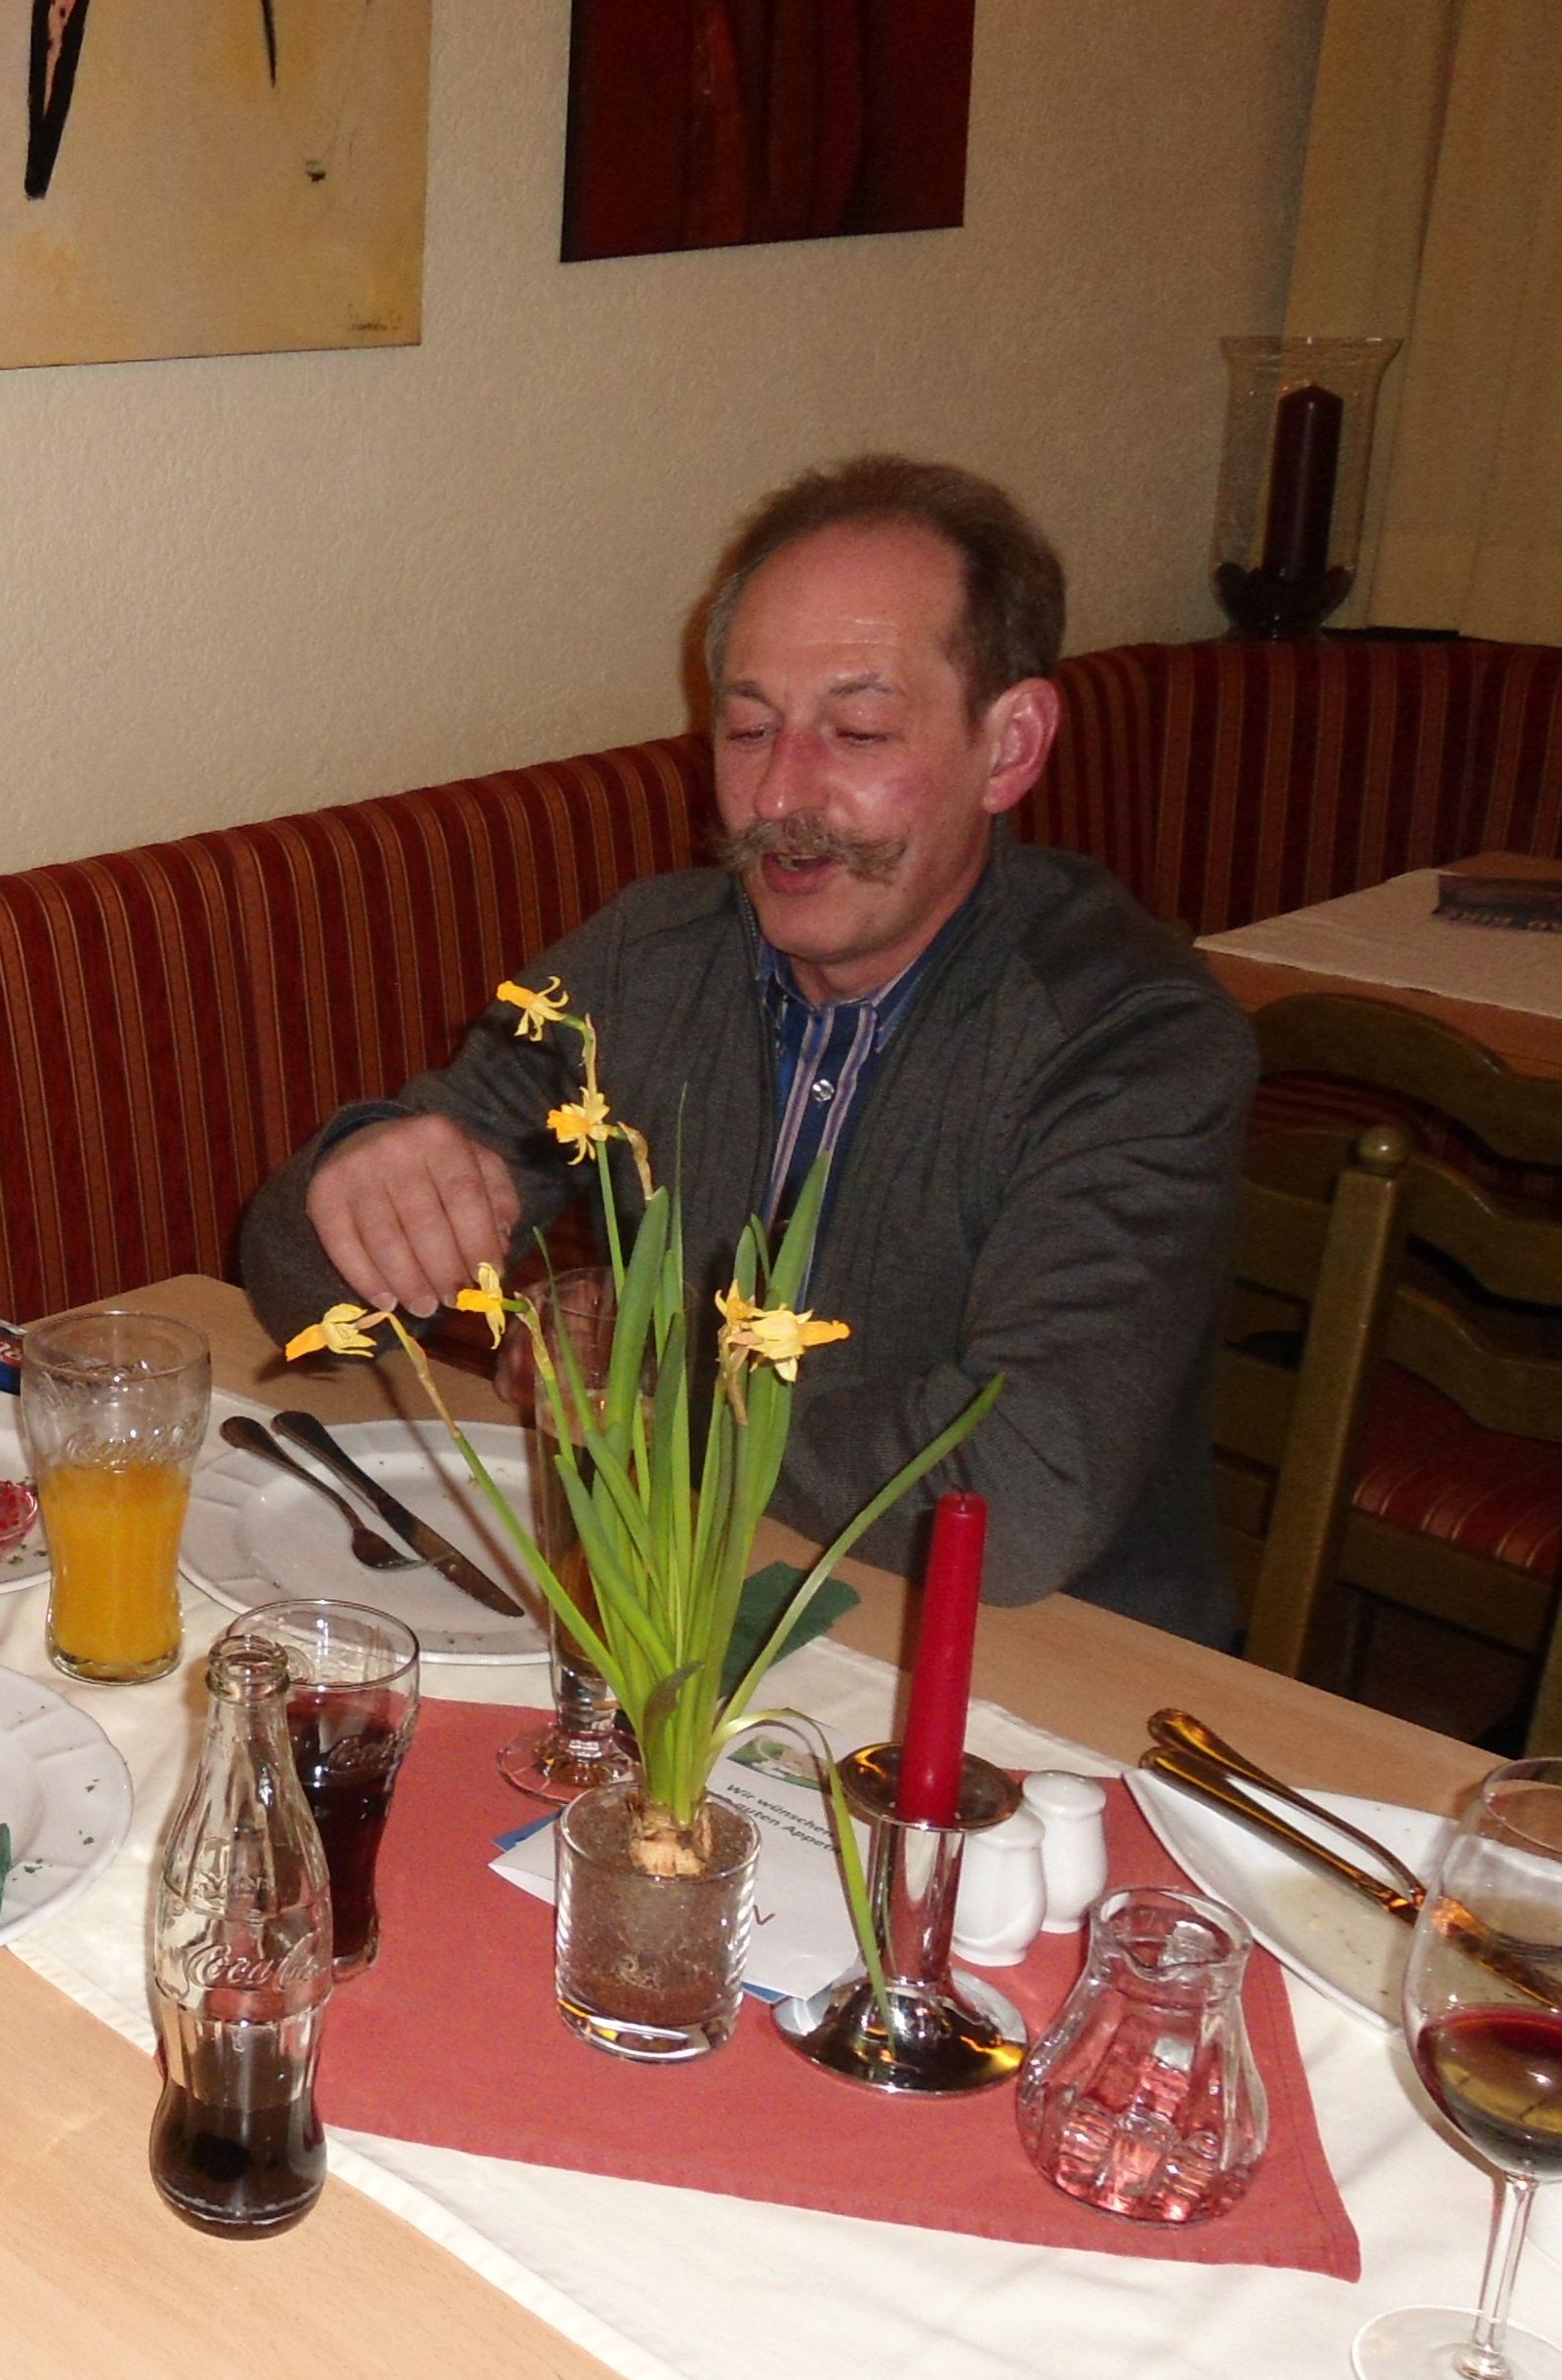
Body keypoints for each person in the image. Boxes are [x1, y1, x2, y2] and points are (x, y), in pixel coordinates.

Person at [239, 456, 1254, 1639]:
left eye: (857, 731)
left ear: (1011, 745)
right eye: (748, 728)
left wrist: (647, 1379)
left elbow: (1020, 1494)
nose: (779, 795)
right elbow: (307, 1294)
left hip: (1040, 1669)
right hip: (690, 1598)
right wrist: (357, 1173)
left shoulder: (1132, 1039)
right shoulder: (651, 962)